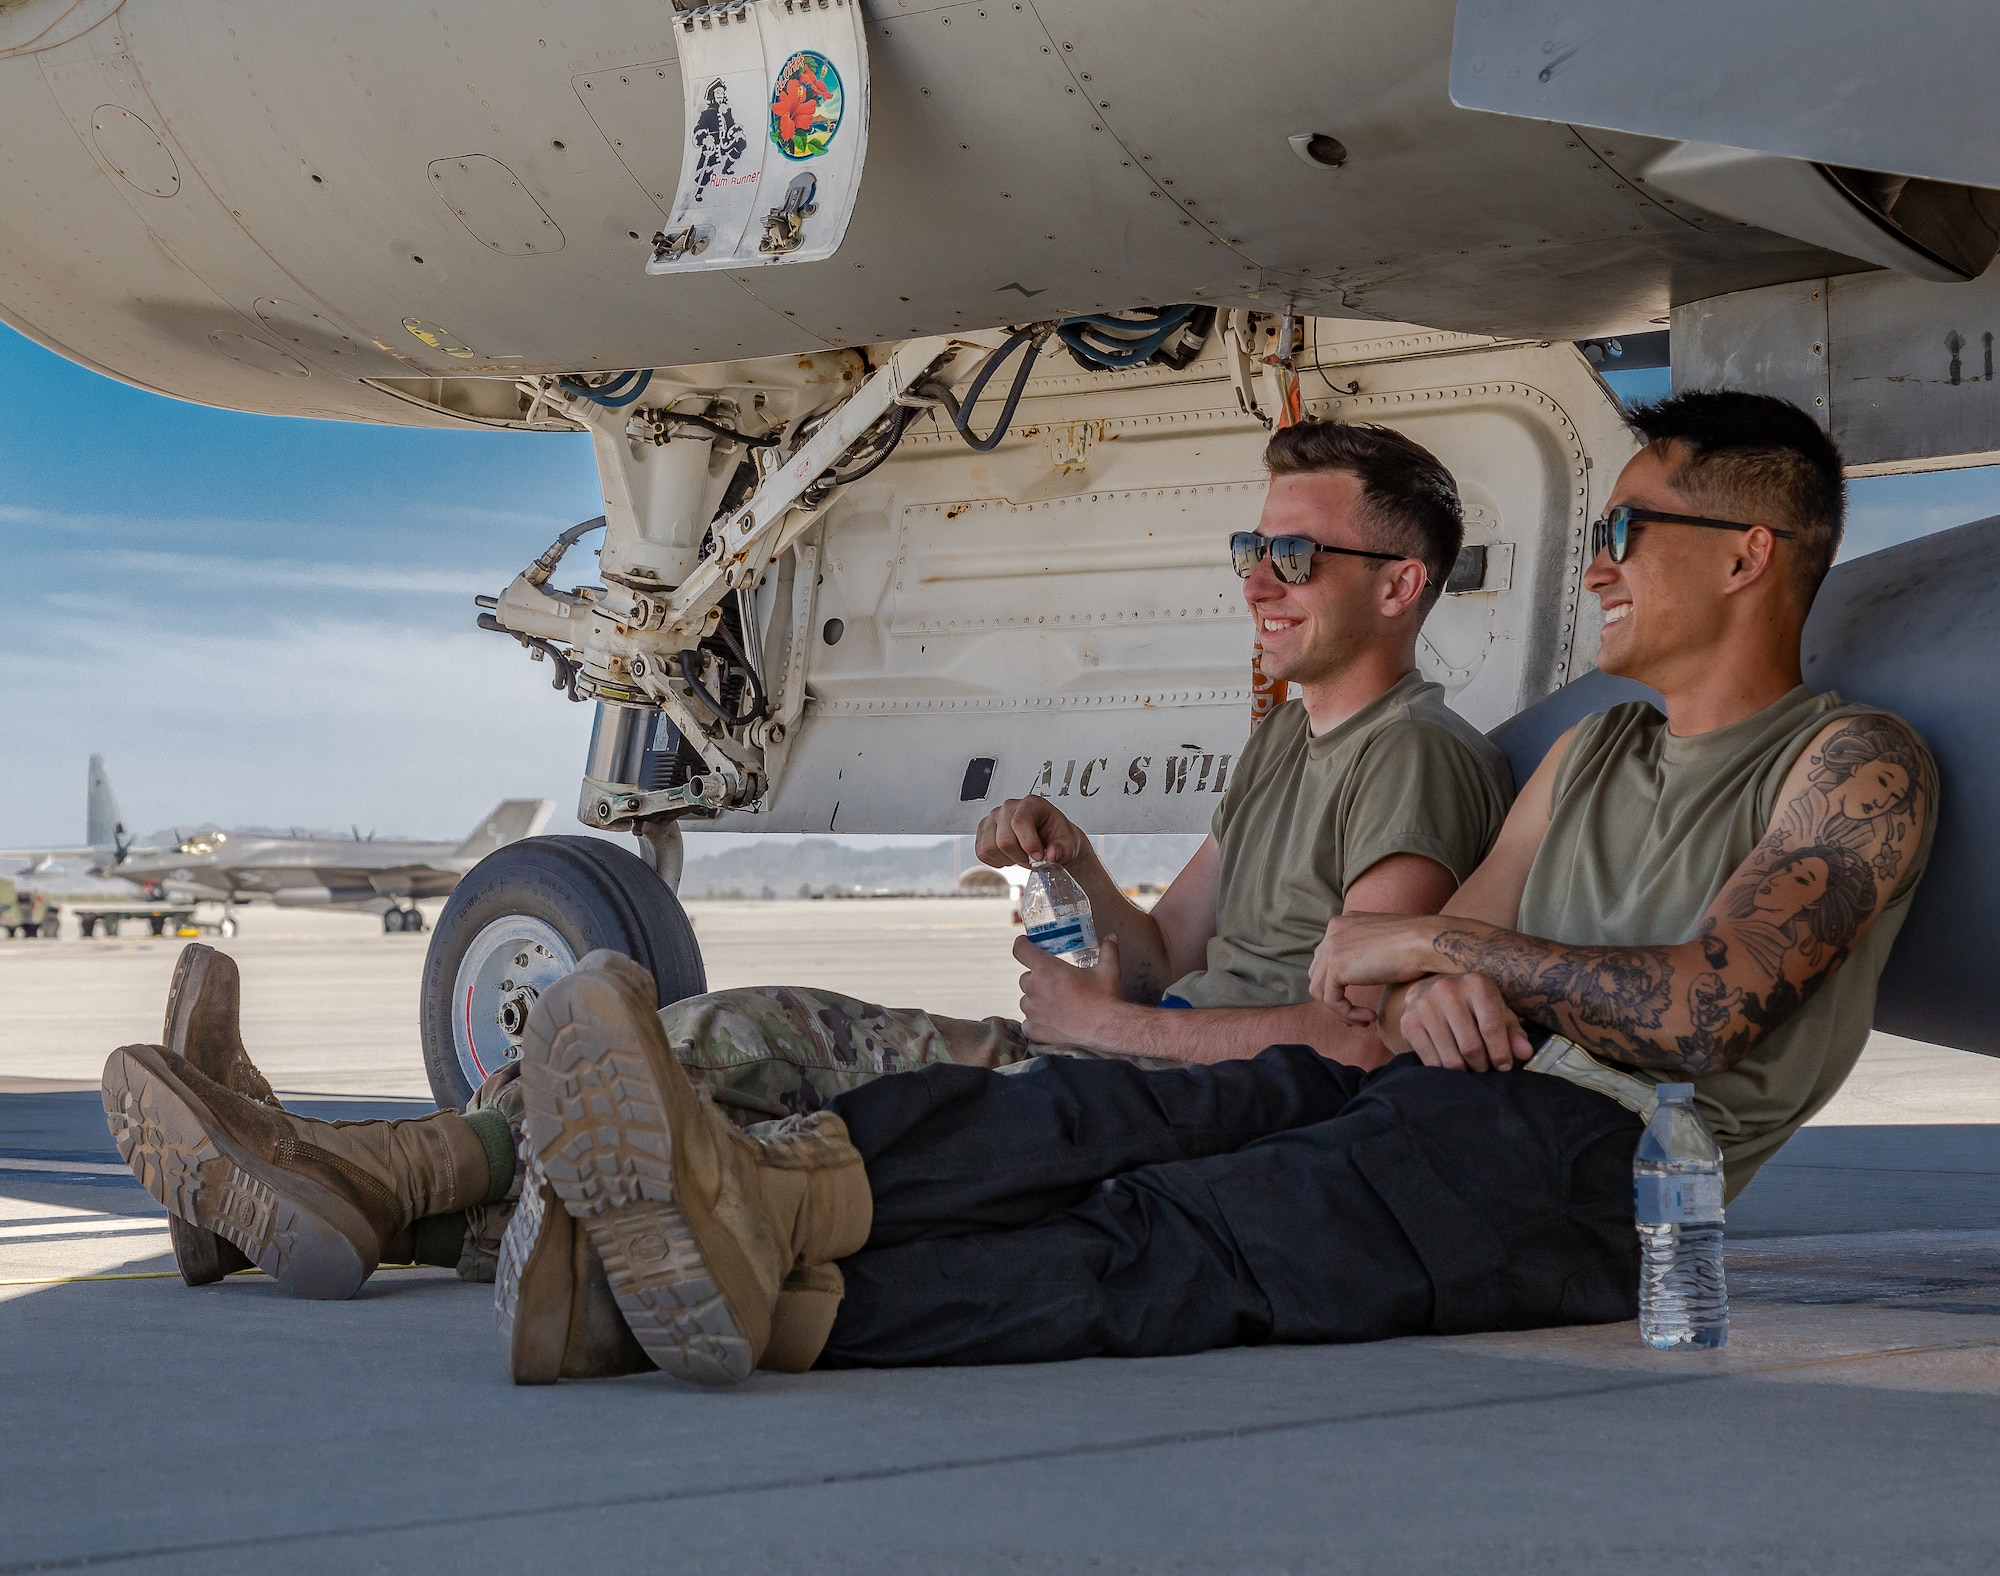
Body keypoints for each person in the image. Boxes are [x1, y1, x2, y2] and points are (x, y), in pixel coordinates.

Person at [474, 388, 1936, 1385]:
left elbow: (1704, 1012)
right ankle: (759, 1195)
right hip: (1442, 1096)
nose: (1599, 567)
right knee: (1099, 1115)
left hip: (1601, 1171)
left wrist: (1443, 949)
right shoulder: (1599, 746)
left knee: (1179, 1242)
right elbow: (1389, 964)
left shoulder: (1853, 764)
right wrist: (1434, 968)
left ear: (1746, 555)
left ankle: (701, 1309)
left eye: (1624, 534)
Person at [100, 421, 1514, 1308]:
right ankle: (317, 1186)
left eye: (1293, 553)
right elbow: (1172, 948)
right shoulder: (1283, 743)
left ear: (1400, 585)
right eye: (1247, 546)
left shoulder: (1417, 759)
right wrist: (1079, 873)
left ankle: (327, 1178)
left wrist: (1104, 1027)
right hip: (1147, 1055)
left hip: (1189, 1095)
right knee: (688, 1096)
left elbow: (1355, 1040)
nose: (1256, 578)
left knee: (729, 1044)